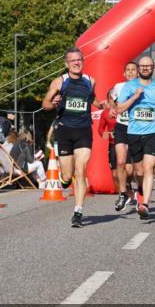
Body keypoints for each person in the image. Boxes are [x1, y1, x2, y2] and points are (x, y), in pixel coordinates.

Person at [41, 47, 107, 228]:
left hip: (84, 130)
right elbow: (45, 103)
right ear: (66, 64)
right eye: (73, 61)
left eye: (79, 60)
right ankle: (65, 179)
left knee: (81, 170)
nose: (77, 63)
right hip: (64, 131)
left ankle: (78, 212)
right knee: (68, 174)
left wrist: (99, 104)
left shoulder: (90, 81)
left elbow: (91, 98)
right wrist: (52, 103)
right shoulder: (59, 82)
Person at [115, 56, 155, 221]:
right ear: (139, 69)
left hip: (153, 132)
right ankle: (141, 191)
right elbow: (119, 108)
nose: (145, 68)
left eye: (148, 66)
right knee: (139, 171)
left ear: (153, 68)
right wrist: (134, 97)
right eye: (142, 66)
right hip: (134, 133)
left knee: (149, 167)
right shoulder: (130, 86)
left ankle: (145, 204)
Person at [107, 61, 138, 212]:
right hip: (121, 127)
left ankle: (127, 184)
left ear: (138, 73)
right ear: (124, 74)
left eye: (134, 70)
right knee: (120, 161)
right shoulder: (119, 87)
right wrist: (112, 108)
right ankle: (122, 194)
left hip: (137, 129)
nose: (131, 72)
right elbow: (110, 96)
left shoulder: (142, 87)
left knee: (131, 170)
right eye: (128, 70)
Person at [97, 103, 119, 192]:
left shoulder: (125, 109)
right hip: (113, 143)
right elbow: (100, 129)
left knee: (127, 170)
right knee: (114, 173)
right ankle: (121, 194)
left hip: (126, 143)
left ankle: (127, 187)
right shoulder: (105, 113)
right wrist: (104, 134)